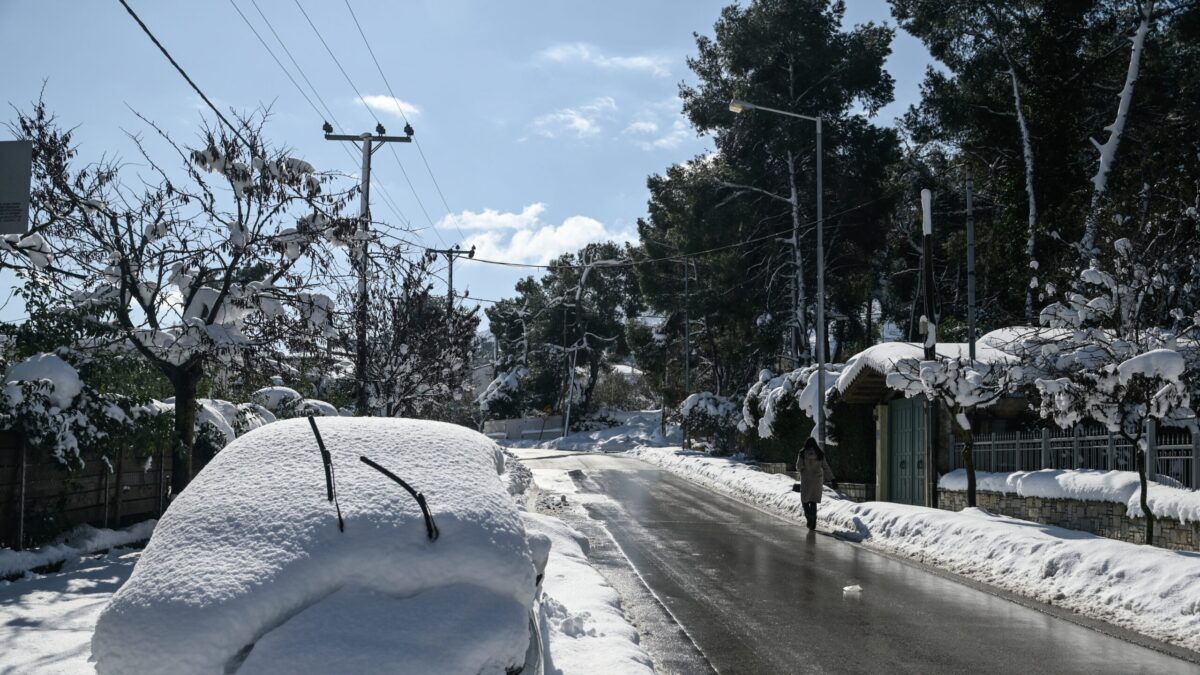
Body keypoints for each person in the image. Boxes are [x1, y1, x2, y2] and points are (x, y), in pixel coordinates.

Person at [793, 437, 836, 530]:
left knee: (804, 501)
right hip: (817, 480)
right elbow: (826, 467)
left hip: (806, 481)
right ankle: (813, 522)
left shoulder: (802, 453)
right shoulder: (820, 453)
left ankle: (809, 517)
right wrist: (832, 479)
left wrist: (804, 466)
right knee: (813, 501)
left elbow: (798, 467)